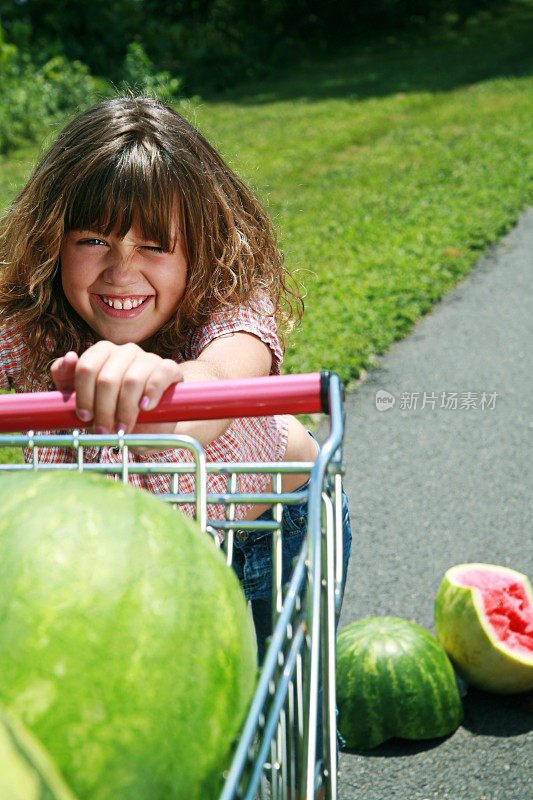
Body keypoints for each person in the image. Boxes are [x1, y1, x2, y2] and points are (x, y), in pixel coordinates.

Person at [0, 95, 351, 668]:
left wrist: (154, 389)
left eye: (155, 246)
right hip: (127, 566)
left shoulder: (230, 308)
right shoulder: (31, 326)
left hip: (262, 538)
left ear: (199, 247)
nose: (120, 271)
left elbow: (213, 384)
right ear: (53, 240)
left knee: (273, 726)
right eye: (93, 240)